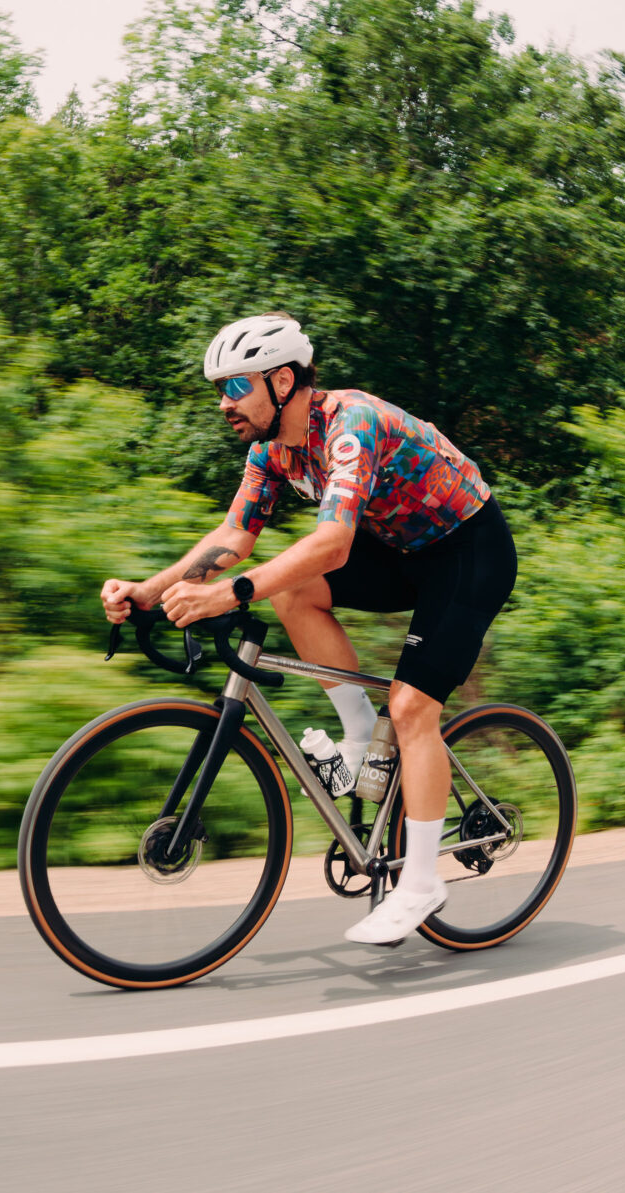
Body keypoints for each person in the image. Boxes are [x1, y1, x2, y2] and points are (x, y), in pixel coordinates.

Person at [99, 313, 515, 946]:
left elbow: (333, 544)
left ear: (283, 381)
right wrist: (148, 592)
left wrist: (226, 594)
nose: (223, 403)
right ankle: (355, 736)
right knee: (291, 592)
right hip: (402, 553)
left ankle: (423, 881)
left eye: (236, 387)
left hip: (469, 551)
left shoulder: (350, 425)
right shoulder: (269, 450)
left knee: (410, 710)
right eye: (220, 389)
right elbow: (235, 535)